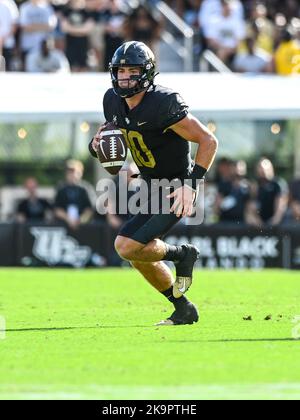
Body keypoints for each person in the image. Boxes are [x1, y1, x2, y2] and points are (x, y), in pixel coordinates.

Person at [89, 41, 218, 326]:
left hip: (174, 187)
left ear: (146, 73)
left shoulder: (163, 103)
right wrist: (96, 145)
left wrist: (191, 184)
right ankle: (183, 308)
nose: (125, 77)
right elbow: (111, 148)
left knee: (126, 246)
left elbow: (208, 140)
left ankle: (182, 254)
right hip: (148, 185)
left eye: (133, 71)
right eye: (121, 71)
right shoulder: (111, 100)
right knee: (137, 254)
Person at [54, 160, 94, 230]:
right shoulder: (61, 188)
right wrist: (68, 219)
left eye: (75, 171)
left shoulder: (86, 188)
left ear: (81, 172)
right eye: (70, 172)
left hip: (83, 227)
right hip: (63, 226)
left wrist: (80, 220)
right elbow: (56, 209)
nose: (72, 174)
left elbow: (90, 209)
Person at [0, 0, 19, 71]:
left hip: (7, 44)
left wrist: (3, 39)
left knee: (7, 70)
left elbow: (14, 24)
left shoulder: (10, 4)